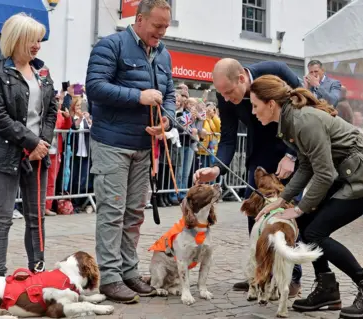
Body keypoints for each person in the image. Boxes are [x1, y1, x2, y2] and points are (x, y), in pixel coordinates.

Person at [252, 75, 363, 318]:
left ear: (271, 103)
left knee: (315, 231)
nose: (253, 112)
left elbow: (324, 174)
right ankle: (327, 289)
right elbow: (306, 166)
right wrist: (283, 202)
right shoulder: (291, 121)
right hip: (351, 173)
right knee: (305, 225)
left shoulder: (303, 121)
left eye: (255, 105)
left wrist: (300, 207)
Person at [85, 0, 175, 303]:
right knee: (112, 211)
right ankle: (109, 277)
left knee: (135, 213)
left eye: (166, 27)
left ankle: (128, 271)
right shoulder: (111, 45)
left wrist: (167, 119)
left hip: (143, 145)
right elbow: (95, 87)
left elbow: (170, 95)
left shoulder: (164, 54)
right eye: (157, 26)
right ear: (139, 19)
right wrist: (139, 96)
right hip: (111, 142)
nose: (161, 33)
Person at [193, 58, 302, 295]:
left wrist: (291, 154)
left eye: (230, 92)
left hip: (289, 149)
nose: (227, 99)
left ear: (242, 78)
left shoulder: (277, 71)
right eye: (222, 94)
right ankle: (261, 271)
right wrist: (216, 168)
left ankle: (291, 278)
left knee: (290, 213)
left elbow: (305, 109)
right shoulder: (225, 94)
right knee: (254, 211)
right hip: (258, 154)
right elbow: (229, 138)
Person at [0, 13, 57, 276]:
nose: (37, 45)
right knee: (3, 218)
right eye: (32, 40)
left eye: (39, 40)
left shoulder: (42, 74)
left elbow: (51, 111)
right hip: (4, 154)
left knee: (37, 219)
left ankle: (38, 272)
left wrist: (41, 143)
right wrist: (31, 142)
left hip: (37, 155)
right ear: (17, 39)